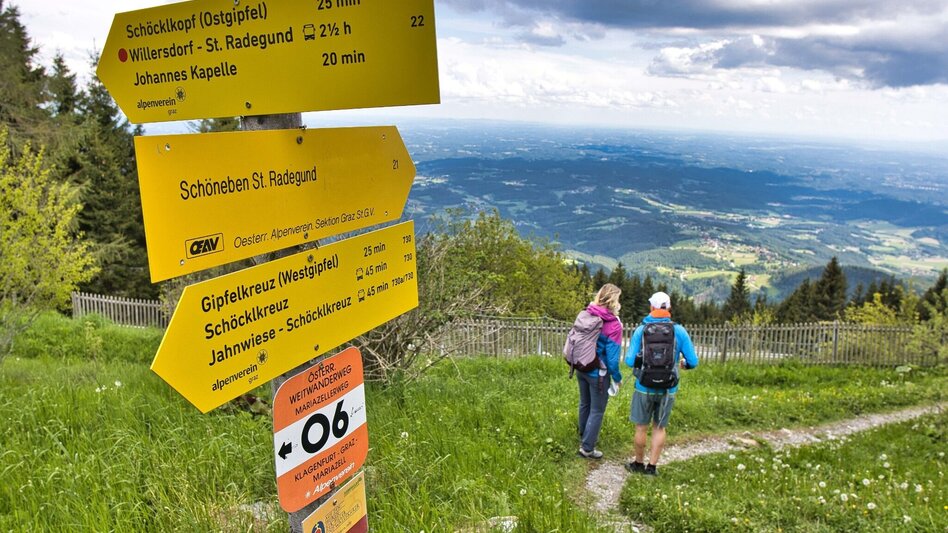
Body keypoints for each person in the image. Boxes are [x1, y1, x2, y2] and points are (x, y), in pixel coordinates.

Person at [624, 291, 698, 475]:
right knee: (659, 427)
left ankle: (638, 464)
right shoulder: (679, 331)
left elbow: (629, 361)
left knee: (641, 427)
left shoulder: (641, 330)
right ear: (669, 307)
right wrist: (684, 365)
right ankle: (652, 467)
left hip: (643, 386)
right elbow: (693, 361)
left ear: (652, 307)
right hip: (668, 388)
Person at [576, 283, 624, 459]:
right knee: (597, 410)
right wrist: (617, 378)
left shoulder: (586, 313)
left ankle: (584, 436)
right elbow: (612, 360)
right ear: (613, 301)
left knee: (585, 403)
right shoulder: (613, 325)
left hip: (581, 366)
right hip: (598, 373)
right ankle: (587, 448)